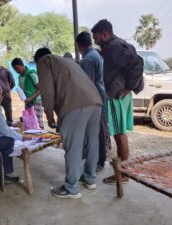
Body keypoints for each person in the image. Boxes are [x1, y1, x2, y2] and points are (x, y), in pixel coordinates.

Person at [34, 47, 102, 199]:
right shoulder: (67, 61)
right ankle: (89, 179)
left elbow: (47, 90)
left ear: (38, 59)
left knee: (73, 145)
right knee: (92, 141)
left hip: (76, 103)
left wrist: (49, 114)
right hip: (95, 101)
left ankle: (72, 188)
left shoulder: (44, 61)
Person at [91, 19, 144, 184]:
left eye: (97, 38)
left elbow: (137, 63)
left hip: (116, 97)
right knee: (121, 133)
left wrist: (129, 86)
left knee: (119, 135)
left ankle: (123, 174)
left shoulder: (113, 47)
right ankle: (124, 170)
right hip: (121, 95)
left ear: (105, 34)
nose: (96, 42)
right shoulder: (119, 44)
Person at [76, 31, 108, 172]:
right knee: (98, 130)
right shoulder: (95, 54)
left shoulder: (88, 59)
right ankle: (99, 159)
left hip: (94, 98)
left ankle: (98, 162)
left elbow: (87, 84)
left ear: (79, 45)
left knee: (97, 131)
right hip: (99, 95)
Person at [11, 57, 44, 129]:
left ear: (22, 65)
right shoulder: (20, 77)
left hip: (36, 101)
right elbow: (22, 89)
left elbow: (41, 89)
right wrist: (24, 98)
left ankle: (42, 138)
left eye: (18, 68)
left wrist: (31, 98)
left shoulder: (32, 75)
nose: (17, 71)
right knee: (30, 121)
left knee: (38, 121)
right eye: (15, 69)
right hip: (28, 101)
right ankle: (33, 139)